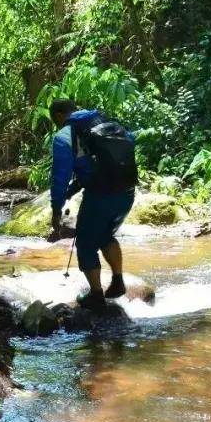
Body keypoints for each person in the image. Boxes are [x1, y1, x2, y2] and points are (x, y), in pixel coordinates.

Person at [49, 98, 137, 310]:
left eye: (55, 120)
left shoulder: (65, 136)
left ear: (60, 115)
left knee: (86, 244)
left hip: (100, 195)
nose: (56, 125)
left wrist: (56, 208)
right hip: (127, 190)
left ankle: (96, 295)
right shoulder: (105, 122)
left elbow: (60, 176)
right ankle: (117, 282)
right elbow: (129, 143)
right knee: (105, 235)